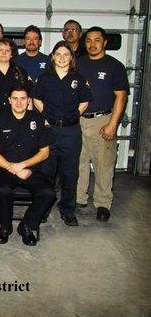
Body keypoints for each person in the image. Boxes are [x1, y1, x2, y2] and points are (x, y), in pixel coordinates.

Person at [0, 85, 55, 246]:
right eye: (15, 98)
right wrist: (13, 168)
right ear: (9, 100)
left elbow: (44, 152)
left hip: (30, 169)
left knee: (49, 193)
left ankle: (26, 225)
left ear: (28, 101)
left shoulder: (38, 120)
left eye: (23, 98)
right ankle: (5, 227)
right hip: (4, 168)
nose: (19, 102)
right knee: (3, 189)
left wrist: (22, 166)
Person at [33, 41, 92, 227]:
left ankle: (67, 210)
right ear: (52, 57)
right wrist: (47, 116)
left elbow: (85, 101)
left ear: (71, 58)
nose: (62, 58)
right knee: (47, 172)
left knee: (69, 173)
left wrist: (74, 115)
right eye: (58, 54)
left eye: (66, 54)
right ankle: (43, 209)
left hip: (71, 132)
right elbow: (36, 99)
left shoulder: (79, 79)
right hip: (50, 130)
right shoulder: (44, 78)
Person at [76, 26, 129, 221]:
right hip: (80, 120)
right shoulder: (78, 64)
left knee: (104, 164)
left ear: (104, 42)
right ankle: (79, 198)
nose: (92, 44)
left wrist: (113, 124)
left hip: (103, 120)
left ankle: (102, 203)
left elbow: (121, 97)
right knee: (79, 162)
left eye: (97, 40)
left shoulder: (114, 66)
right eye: (88, 40)